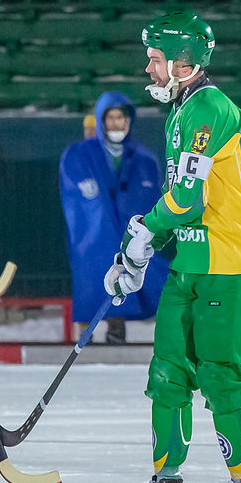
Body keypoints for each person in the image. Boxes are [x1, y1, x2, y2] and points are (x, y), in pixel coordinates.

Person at [104, 10, 241, 483]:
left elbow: (188, 199)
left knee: (220, 375)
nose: (148, 68)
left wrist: (145, 232)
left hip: (230, 266)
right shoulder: (181, 111)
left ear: (183, 61)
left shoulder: (209, 109)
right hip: (192, 263)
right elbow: (183, 200)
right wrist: (143, 251)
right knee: (168, 375)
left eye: (154, 59)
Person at [61, 92, 167, 347]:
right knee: (93, 282)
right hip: (94, 240)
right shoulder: (78, 155)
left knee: (135, 281)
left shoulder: (144, 158)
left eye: (121, 117)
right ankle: (85, 337)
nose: (116, 123)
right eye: (111, 118)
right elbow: (76, 200)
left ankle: (116, 332)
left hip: (129, 236)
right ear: (101, 120)